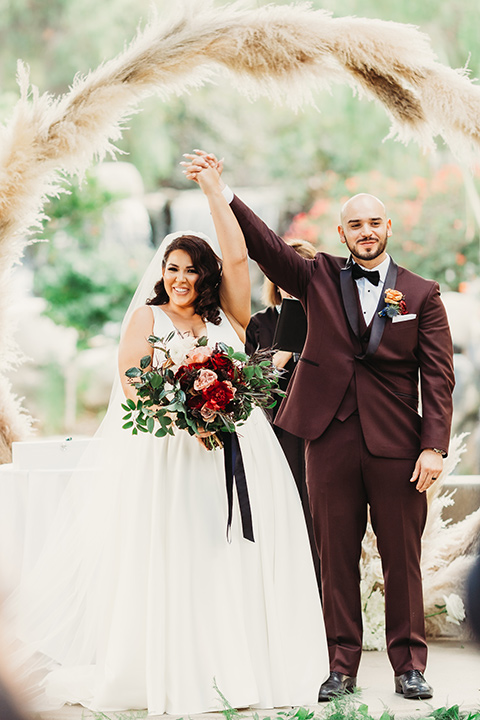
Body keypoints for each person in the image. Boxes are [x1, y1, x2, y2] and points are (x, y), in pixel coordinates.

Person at [7, 161, 328, 716]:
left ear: (207, 277)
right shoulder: (147, 320)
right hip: (176, 459)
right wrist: (190, 418)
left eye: (192, 270)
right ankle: (183, 670)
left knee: (236, 558)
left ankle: (243, 668)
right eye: (173, 268)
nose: (182, 278)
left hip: (241, 452)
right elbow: (134, 390)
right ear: (162, 272)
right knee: (187, 559)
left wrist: (212, 190)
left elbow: (235, 255)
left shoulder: (230, 316)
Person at [183, 150, 455, 702]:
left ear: (388, 228)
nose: (365, 231)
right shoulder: (318, 276)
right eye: (355, 224)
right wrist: (224, 191)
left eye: (374, 222)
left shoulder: (421, 295)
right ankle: (341, 666)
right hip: (327, 438)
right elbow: (267, 247)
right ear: (342, 231)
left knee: (401, 558)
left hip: (399, 446)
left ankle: (409, 666)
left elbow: (439, 377)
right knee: (333, 557)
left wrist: (434, 447)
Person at [245, 240, 321, 592]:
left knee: (320, 524)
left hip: (321, 433)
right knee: (282, 518)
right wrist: (287, 348)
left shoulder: (329, 320)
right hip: (276, 434)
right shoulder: (260, 324)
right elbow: (254, 386)